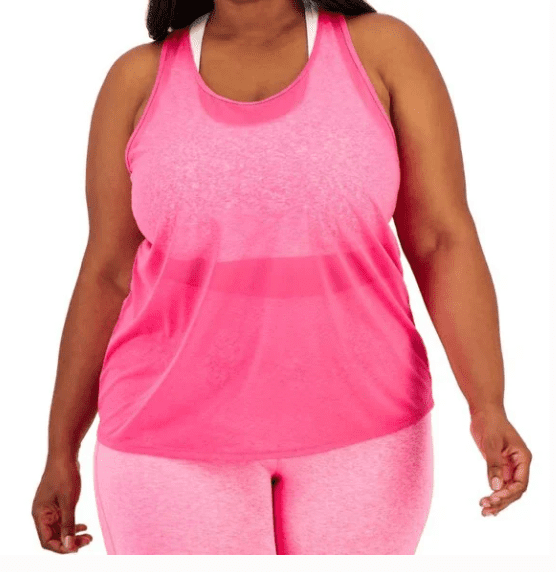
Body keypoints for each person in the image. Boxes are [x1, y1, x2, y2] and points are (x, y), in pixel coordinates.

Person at [31, 0, 532, 555]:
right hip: (165, 445)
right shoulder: (136, 79)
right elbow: (107, 274)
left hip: (368, 435)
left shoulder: (384, 51)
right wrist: (61, 449)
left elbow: (441, 241)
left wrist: (488, 405)